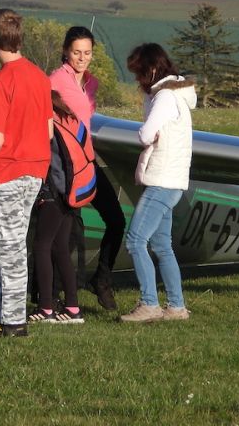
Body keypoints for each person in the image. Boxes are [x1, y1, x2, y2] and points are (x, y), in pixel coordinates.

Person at [0, 8, 53, 338]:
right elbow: (48, 130)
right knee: (16, 243)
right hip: (35, 171)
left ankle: (12, 321)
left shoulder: (2, 81)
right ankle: (12, 318)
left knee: (3, 248)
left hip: (5, 172)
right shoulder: (39, 77)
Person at [49, 25, 125, 310]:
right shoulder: (55, 80)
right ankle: (53, 296)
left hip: (87, 163)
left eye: (87, 53)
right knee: (66, 233)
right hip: (64, 165)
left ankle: (102, 279)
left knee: (116, 220)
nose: (82, 58)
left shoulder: (91, 83)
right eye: (77, 52)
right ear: (66, 52)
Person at [120, 43, 196, 323]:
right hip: (173, 180)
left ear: (152, 70)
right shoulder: (175, 95)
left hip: (162, 179)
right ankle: (176, 307)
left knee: (135, 240)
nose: (138, 80)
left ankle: (150, 303)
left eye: (139, 74)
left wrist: (146, 132)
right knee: (162, 244)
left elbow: (145, 134)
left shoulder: (164, 97)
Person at [28, 92, 86, 325]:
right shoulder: (70, 119)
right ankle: (72, 308)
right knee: (60, 248)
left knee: (41, 246)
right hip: (72, 192)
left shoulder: (47, 121)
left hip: (53, 193)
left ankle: (46, 308)